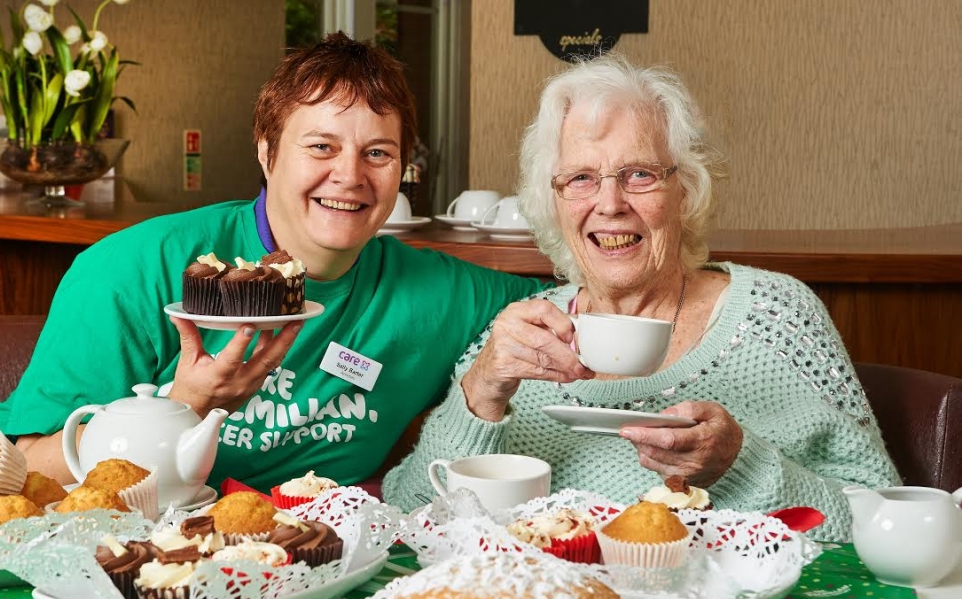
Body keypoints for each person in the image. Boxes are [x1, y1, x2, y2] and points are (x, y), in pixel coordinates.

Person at [0, 32, 543, 492]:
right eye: (321, 146)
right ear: (267, 152)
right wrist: (188, 404)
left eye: (378, 153)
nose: (350, 175)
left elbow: (574, 313)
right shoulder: (130, 270)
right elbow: (25, 469)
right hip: (137, 560)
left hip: (324, 568)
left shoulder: (438, 294)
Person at [382, 53, 899, 541]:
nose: (610, 204)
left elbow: (882, 520)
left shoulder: (776, 315)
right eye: (581, 178)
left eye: (639, 175)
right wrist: (481, 394)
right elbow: (408, 518)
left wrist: (740, 467)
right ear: (553, 200)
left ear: (686, 190)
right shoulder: (522, 339)